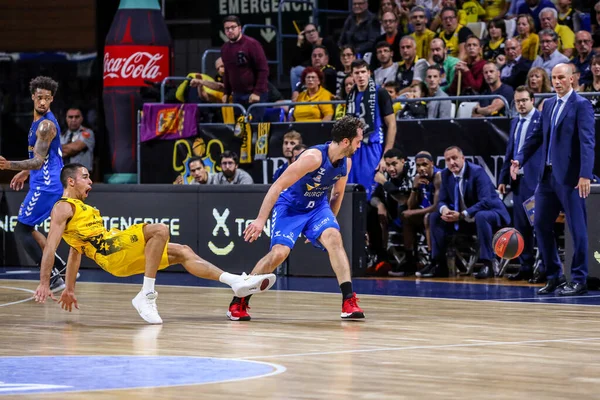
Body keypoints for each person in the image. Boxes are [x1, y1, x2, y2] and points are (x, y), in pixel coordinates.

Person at [33, 164, 276, 324]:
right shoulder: (64, 207)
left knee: (183, 252)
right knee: (160, 230)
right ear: (71, 182)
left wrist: (70, 289)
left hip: (117, 255)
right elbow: (51, 248)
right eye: (85, 178)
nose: (90, 182)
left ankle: (236, 282)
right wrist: (45, 282)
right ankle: (146, 294)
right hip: (111, 252)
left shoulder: (83, 208)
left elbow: (76, 253)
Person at [228, 115, 366, 321]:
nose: (359, 145)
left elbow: (337, 195)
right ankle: (239, 300)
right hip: (290, 208)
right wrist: (260, 220)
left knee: (334, 238)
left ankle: (348, 300)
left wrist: (328, 225)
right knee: (279, 254)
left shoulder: (346, 162)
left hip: (318, 207)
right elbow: (277, 186)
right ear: (346, 141)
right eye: (358, 141)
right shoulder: (313, 158)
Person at [511, 63, 595, 296]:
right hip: (546, 177)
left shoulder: (581, 105)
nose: (556, 82)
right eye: (554, 78)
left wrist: (585, 174)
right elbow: (537, 136)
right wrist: (519, 158)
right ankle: (554, 275)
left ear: (572, 80)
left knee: (577, 229)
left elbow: (587, 142)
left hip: (570, 178)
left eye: (561, 77)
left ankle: (578, 278)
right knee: (540, 224)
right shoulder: (547, 105)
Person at [0, 76, 68, 291]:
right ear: (33, 97)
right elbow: (42, 156)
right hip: (44, 182)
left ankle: (52, 278)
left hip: (46, 185)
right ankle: (58, 264)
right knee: (28, 226)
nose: (42, 102)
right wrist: (24, 172)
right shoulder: (37, 121)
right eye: (39, 97)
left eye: (47, 98)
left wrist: (8, 165)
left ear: (52, 99)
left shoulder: (46, 125)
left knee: (21, 229)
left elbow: (38, 161)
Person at [426, 146, 510, 279]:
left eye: (455, 158)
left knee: (481, 215)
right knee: (435, 217)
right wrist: (445, 210)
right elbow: (441, 201)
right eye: (448, 160)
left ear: (463, 158)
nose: (452, 162)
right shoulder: (445, 175)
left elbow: (486, 202)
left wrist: (462, 214)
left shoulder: (477, 172)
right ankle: (439, 264)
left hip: (492, 214)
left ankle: (488, 264)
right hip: (466, 218)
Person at [498, 86, 544, 282]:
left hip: (536, 181)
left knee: (539, 225)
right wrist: (503, 178)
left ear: (532, 100)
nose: (521, 104)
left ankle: (543, 268)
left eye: (524, 100)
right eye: (518, 101)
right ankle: (525, 266)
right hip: (518, 182)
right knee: (522, 226)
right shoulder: (515, 121)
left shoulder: (541, 120)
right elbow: (510, 152)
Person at [345, 59, 396, 200]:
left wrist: (386, 156)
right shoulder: (351, 95)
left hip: (373, 146)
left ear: (369, 73)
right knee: (351, 191)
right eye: (357, 73)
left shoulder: (380, 92)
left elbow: (392, 124)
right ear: (352, 75)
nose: (360, 76)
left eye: (363, 72)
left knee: (369, 193)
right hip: (354, 148)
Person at [60, 107, 95, 174]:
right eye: (70, 117)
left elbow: (76, 148)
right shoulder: (62, 135)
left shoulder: (87, 133)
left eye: (77, 117)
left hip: (82, 174)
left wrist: (58, 148)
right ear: (66, 119)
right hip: (64, 173)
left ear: (81, 118)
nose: (73, 120)